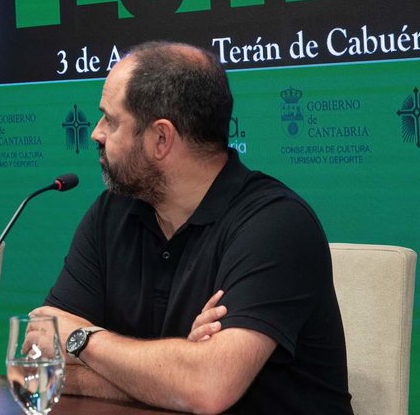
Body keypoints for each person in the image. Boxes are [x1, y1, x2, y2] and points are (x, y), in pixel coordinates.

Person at [31, 42, 353, 414]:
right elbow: (39, 360)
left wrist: (82, 339)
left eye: (111, 120)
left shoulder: (275, 224)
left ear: (161, 139)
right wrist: (173, 373)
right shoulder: (111, 213)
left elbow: (207, 386)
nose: (96, 133)